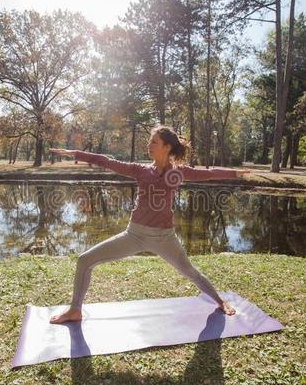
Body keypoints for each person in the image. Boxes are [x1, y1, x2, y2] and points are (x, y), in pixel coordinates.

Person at [48, 125, 250, 324]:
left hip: (165, 238)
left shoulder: (178, 172)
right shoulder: (140, 170)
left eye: (154, 142)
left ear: (167, 147)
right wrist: (75, 153)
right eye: (149, 141)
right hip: (134, 235)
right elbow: (106, 161)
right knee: (84, 260)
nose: (149, 145)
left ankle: (220, 301)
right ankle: (75, 310)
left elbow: (210, 173)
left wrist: (235, 173)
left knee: (190, 272)